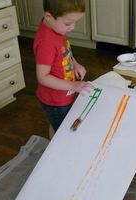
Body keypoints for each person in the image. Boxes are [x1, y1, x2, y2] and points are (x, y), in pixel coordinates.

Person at [33, 0, 93, 138]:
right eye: (68, 23)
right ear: (49, 17)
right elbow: (43, 77)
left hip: (64, 93)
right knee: (63, 131)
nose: (72, 27)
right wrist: (73, 85)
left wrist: (75, 64)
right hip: (56, 101)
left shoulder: (56, 27)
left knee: (58, 125)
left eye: (75, 22)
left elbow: (64, 50)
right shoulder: (46, 42)